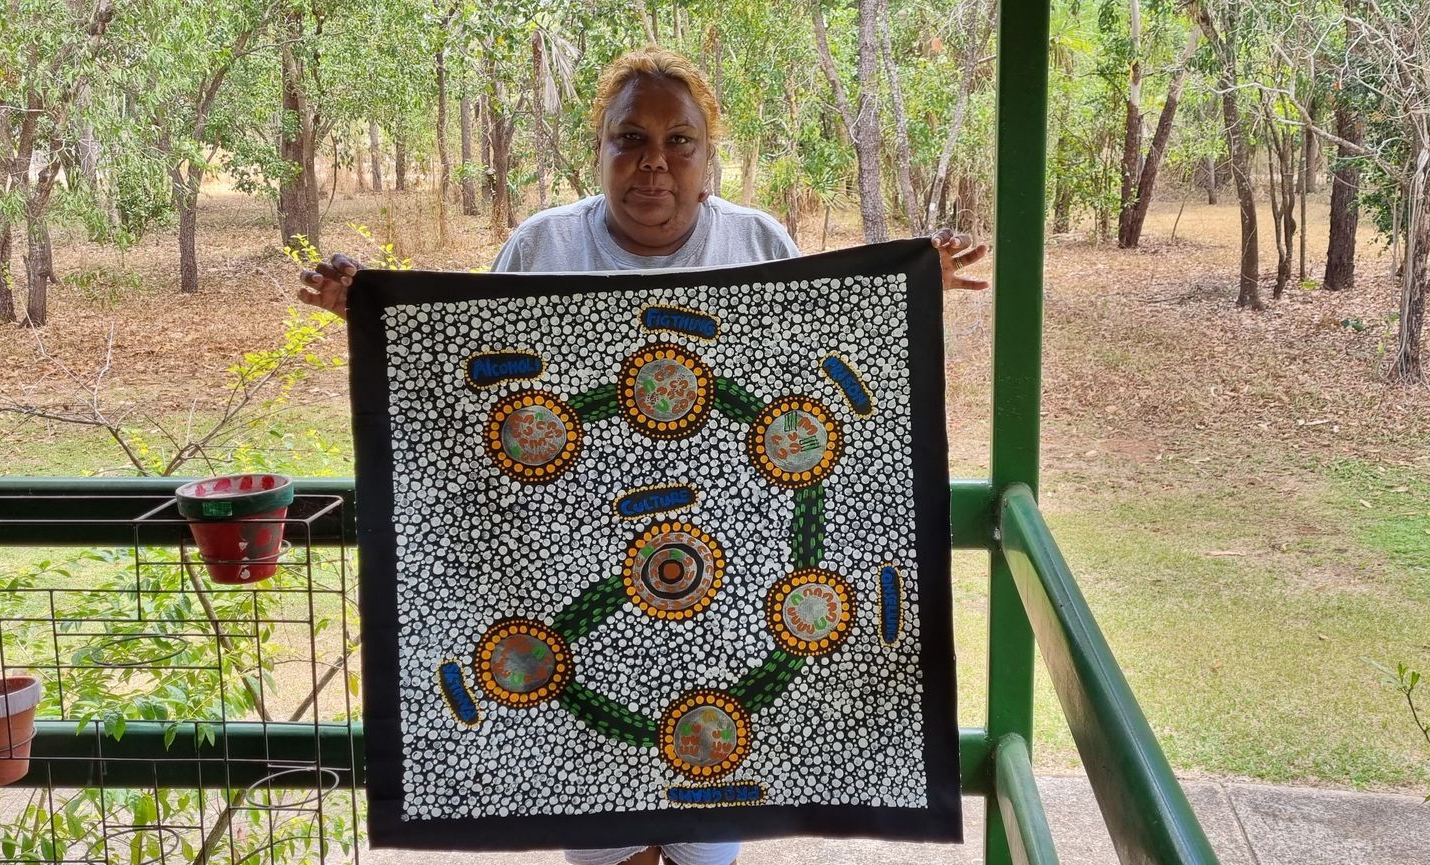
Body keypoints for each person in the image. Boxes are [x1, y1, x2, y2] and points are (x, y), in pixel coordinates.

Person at [297, 46, 986, 865]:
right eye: (630, 138)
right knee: (609, 850)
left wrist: (903, 285)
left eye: (679, 141)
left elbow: (810, 366)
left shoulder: (757, 241)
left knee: (706, 847)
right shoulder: (542, 247)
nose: (653, 163)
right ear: (599, 149)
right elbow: (472, 388)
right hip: (566, 627)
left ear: (707, 155)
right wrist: (372, 315)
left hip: (730, 623)